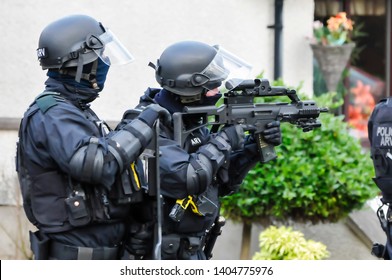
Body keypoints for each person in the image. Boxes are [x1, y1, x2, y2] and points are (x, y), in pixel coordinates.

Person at [15, 14, 170, 260]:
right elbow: (97, 164)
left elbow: (111, 161)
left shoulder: (75, 109)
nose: (104, 63)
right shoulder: (52, 113)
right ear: (80, 63)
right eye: (100, 57)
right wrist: (143, 123)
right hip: (78, 258)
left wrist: (139, 113)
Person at [125, 41, 282, 260]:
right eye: (213, 87)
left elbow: (221, 182)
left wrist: (252, 150)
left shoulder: (190, 121)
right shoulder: (147, 124)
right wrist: (226, 138)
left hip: (192, 250)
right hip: (156, 255)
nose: (218, 92)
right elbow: (186, 178)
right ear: (190, 89)